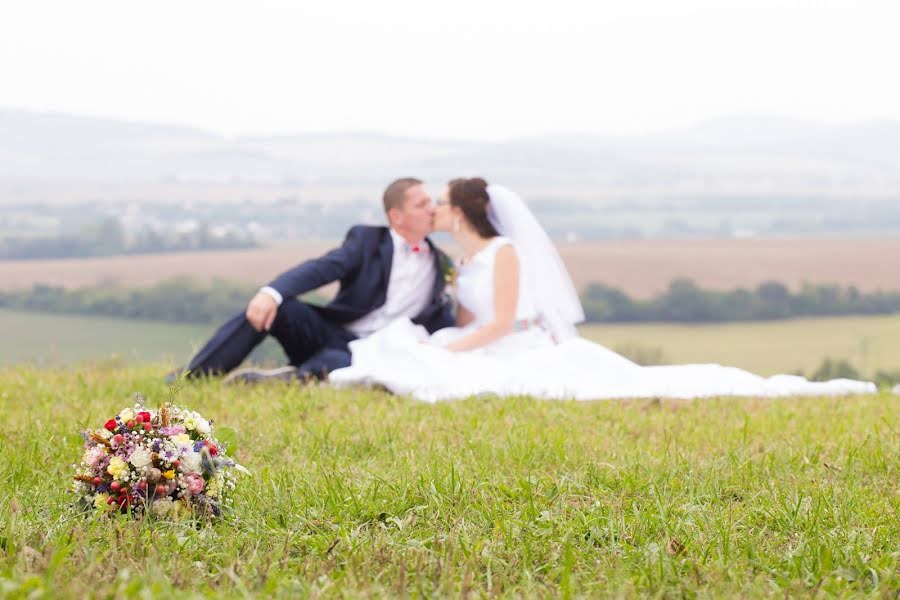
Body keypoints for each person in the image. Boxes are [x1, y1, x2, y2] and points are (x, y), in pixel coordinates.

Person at [328, 178, 877, 401]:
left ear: (464, 210)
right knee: (410, 350)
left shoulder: (504, 253)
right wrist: (448, 339)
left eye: (442, 201)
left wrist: (446, 346)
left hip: (519, 342)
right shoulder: (464, 259)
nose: (436, 209)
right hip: (484, 341)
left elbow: (498, 325)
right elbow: (472, 324)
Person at [172, 177, 455, 384]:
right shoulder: (368, 242)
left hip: (381, 351)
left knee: (338, 365)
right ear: (397, 216)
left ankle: (284, 380)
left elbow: (443, 319)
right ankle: (192, 377)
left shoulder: (441, 264)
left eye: (431, 202)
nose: (432, 209)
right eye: (422, 204)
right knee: (277, 307)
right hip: (333, 334)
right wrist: (272, 293)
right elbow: (321, 269)